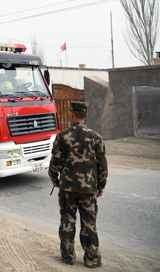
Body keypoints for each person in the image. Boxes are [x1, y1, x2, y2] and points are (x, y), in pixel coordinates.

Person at [48, 101, 108, 268]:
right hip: (88, 189)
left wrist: (54, 177)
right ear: (86, 115)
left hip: (67, 188)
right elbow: (102, 164)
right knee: (89, 223)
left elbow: (55, 161)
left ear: (71, 114)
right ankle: (93, 258)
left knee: (67, 221)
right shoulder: (96, 137)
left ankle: (67, 256)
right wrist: (101, 184)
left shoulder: (62, 136)